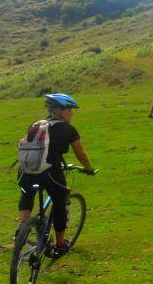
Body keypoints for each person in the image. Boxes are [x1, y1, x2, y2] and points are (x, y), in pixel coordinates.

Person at [17, 93, 95, 256]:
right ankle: (60, 245)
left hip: (25, 172)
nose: (71, 113)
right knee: (60, 202)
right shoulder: (68, 129)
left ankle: (22, 230)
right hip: (50, 173)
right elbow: (81, 153)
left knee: (27, 192)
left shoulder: (36, 124)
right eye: (69, 110)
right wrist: (89, 169)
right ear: (58, 110)